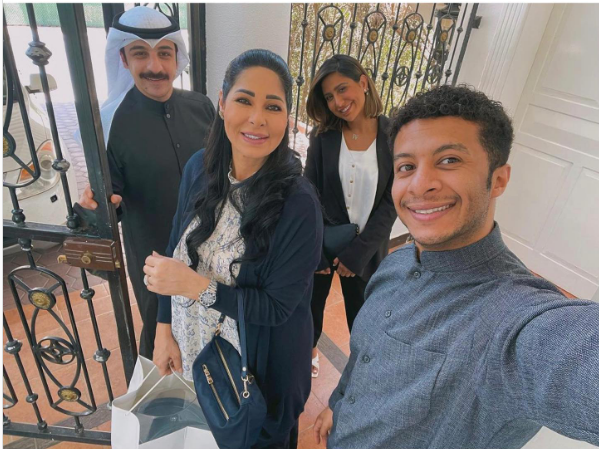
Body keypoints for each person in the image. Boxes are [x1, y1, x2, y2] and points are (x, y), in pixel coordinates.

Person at [314, 85, 599, 448]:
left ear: (498, 179)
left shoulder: (514, 320)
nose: (420, 185)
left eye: (449, 160)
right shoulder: (393, 265)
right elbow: (364, 358)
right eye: (406, 166)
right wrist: (339, 404)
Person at [142, 49, 323, 449]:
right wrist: (163, 330)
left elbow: (276, 308)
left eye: (272, 106)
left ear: (286, 118)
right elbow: (175, 251)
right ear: (222, 103)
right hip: (195, 356)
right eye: (244, 100)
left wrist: (195, 286)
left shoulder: (298, 204)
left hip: (254, 378)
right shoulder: (199, 168)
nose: (257, 118)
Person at [78, 6, 215, 359]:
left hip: (213, 252)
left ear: (176, 57)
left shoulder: (201, 106)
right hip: (154, 258)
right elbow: (108, 203)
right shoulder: (110, 124)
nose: (155, 66)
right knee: (162, 343)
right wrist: (93, 208)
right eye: (140, 53)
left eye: (164, 53)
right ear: (123, 59)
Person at [304, 55, 397, 377]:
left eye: (342, 89)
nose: (338, 102)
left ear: (363, 82)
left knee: (363, 316)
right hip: (323, 242)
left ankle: (361, 371)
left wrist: (357, 253)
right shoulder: (323, 135)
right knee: (310, 307)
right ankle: (309, 352)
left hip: (366, 250)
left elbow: (392, 201)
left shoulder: (394, 135)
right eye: (329, 96)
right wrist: (315, 248)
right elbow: (309, 191)